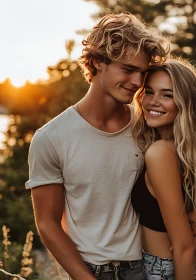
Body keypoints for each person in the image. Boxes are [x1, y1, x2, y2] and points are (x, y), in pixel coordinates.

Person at [25, 12, 169, 280]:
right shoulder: (51, 137)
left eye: (143, 73)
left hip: (146, 268)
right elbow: (47, 223)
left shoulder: (147, 128)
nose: (137, 83)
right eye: (128, 69)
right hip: (90, 271)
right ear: (97, 62)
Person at [131, 58, 196, 280]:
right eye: (149, 91)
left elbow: (184, 246)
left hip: (167, 271)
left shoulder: (160, 153)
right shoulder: (185, 151)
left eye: (167, 95)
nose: (153, 102)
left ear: (185, 103)